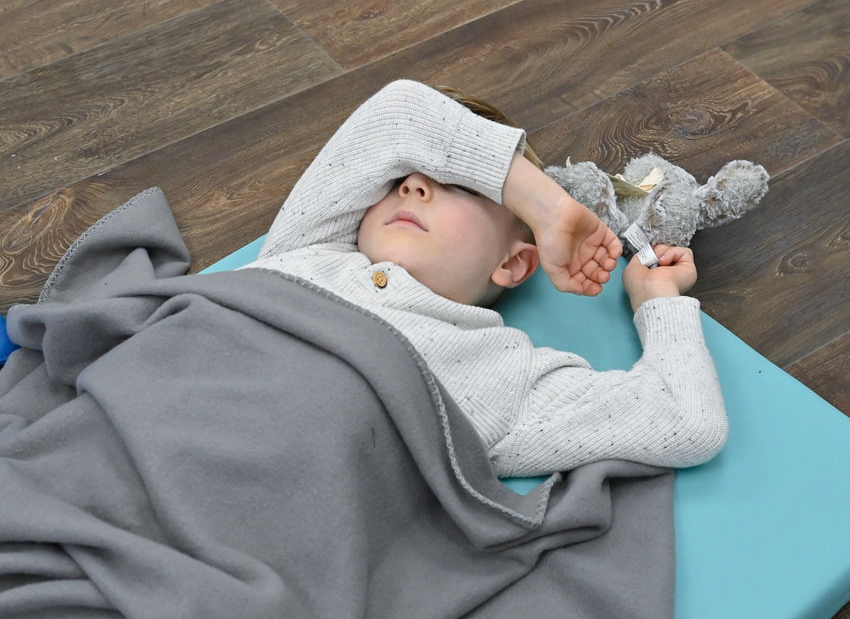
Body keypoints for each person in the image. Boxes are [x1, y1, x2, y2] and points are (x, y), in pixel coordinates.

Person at [248, 79, 727, 476]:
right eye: (399, 179)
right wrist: (546, 203)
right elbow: (400, 113)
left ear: (513, 264)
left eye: (460, 186)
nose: (413, 185)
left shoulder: (497, 375)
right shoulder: (309, 246)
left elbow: (684, 420)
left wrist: (656, 297)